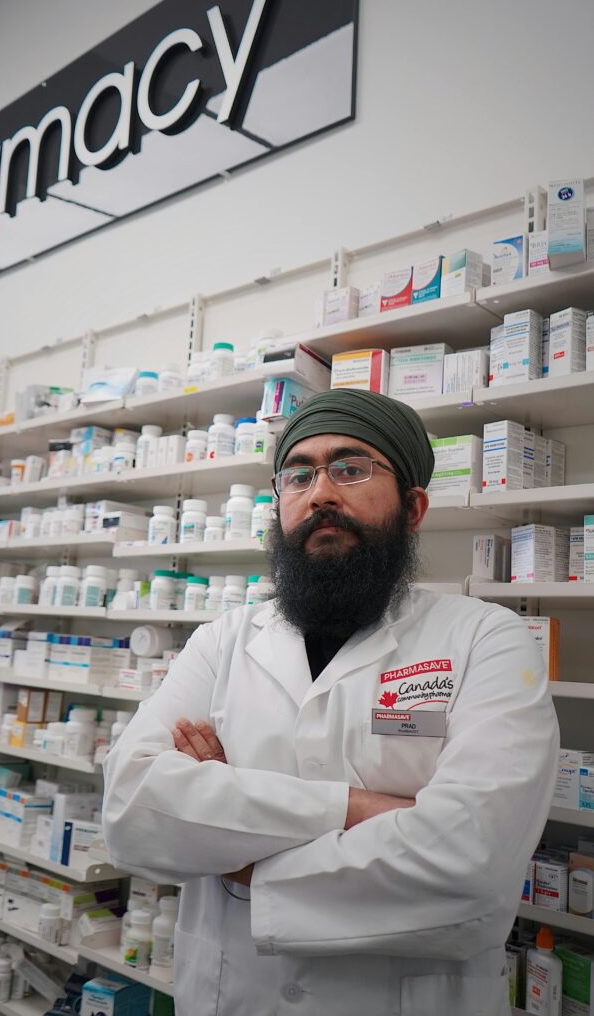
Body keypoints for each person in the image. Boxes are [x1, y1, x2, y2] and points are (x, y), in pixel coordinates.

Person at [103, 388, 559, 1016]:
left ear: (414, 506)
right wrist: (361, 807)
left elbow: (472, 861)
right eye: (298, 474)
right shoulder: (222, 642)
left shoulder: (486, 637)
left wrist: (237, 853)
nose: (319, 493)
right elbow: (131, 809)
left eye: (351, 469)